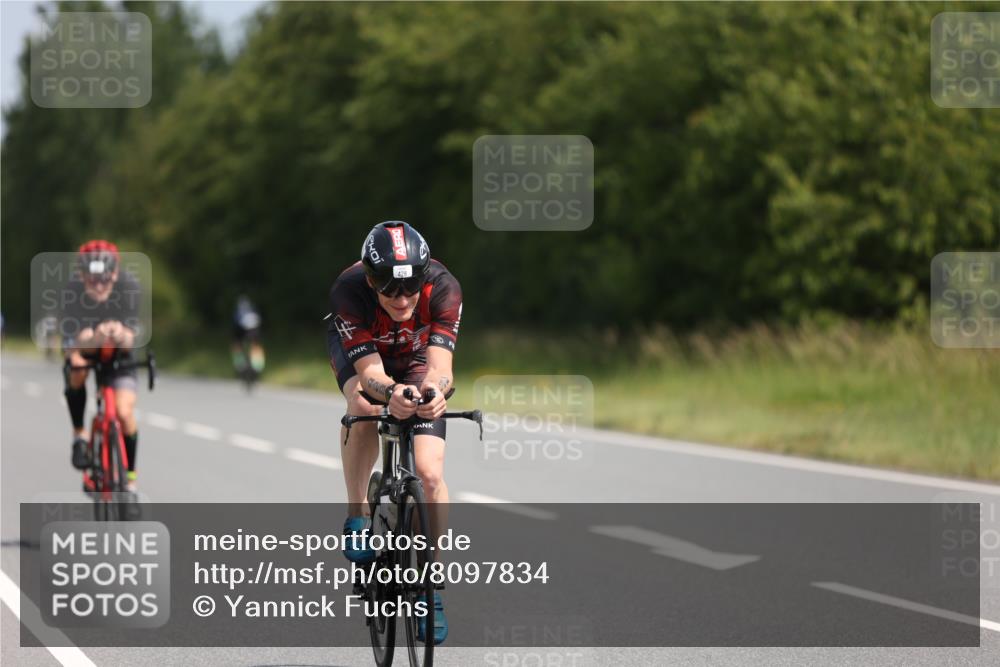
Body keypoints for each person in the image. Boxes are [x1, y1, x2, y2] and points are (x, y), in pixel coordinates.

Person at [326, 220, 462, 645]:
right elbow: (369, 375)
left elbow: (441, 368)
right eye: (389, 289)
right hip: (366, 358)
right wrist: (391, 394)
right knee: (363, 405)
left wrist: (435, 394)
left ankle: (430, 590)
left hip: (418, 355)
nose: (401, 299)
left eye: (410, 288)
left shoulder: (443, 288)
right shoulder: (349, 291)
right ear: (370, 280)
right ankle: (358, 514)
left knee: (431, 474)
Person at [62, 240, 143, 492]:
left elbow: (130, 340)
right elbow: (73, 342)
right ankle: (80, 436)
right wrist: (95, 337)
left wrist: (119, 333)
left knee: (124, 412)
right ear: (82, 276)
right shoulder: (72, 292)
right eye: (91, 279)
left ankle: (129, 475)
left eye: (104, 279)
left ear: (115, 274)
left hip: (120, 356)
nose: (98, 285)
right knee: (77, 369)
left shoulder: (129, 288)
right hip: (85, 350)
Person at [231, 294, 264, 375]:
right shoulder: (253, 309)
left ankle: (239, 364)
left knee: (237, 345)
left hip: (241, 330)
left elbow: (234, 325)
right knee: (256, 345)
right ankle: (258, 366)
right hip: (254, 330)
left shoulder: (238, 311)